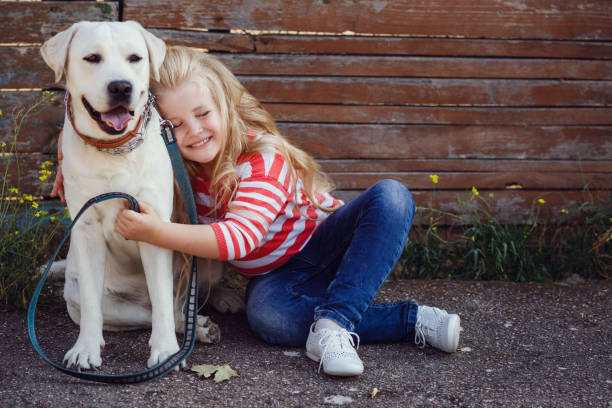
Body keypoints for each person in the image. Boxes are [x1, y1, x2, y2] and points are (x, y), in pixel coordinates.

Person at [53, 46, 461, 377]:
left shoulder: (261, 157)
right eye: (174, 123)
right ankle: (408, 321)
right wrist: (68, 162)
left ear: (227, 106)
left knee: (389, 195)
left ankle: (335, 324)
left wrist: (155, 232)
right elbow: (114, 133)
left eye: (203, 114)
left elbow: (239, 239)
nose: (193, 131)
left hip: (328, 246)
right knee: (269, 320)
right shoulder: (172, 165)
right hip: (275, 275)